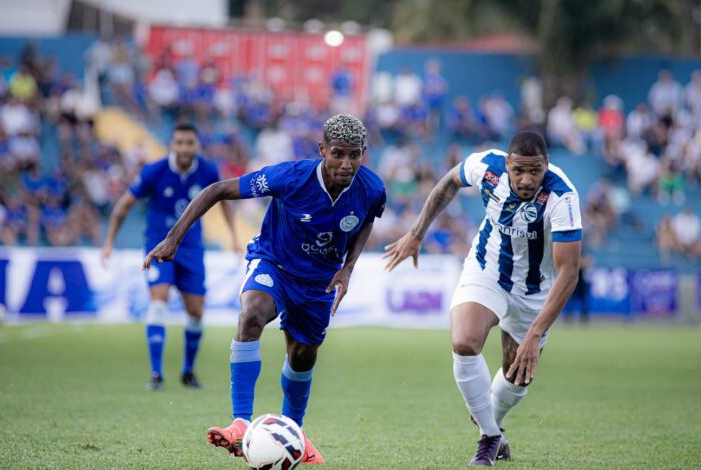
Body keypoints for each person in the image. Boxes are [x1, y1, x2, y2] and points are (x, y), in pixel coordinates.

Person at [143, 114, 386, 464]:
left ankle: (294, 432)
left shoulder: (373, 189)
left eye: (354, 155)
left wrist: (348, 268)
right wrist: (173, 238)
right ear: (322, 150)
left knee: (302, 355)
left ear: (364, 153)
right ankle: (241, 422)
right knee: (252, 313)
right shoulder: (289, 177)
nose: (346, 164)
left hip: (319, 280)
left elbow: (367, 220)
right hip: (273, 261)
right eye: (337, 153)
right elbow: (216, 190)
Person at [383, 131, 582, 466]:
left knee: (517, 375)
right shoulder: (486, 167)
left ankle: (492, 422)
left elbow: (568, 273)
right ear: (507, 164)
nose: (526, 179)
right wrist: (417, 233)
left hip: (535, 290)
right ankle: (490, 437)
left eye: (535, 171)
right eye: (518, 170)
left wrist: (535, 332)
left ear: (546, 165)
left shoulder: (562, 197)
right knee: (464, 342)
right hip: (487, 269)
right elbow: (448, 183)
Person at [101, 123, 240, 390]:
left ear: (197, 145)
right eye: (179, 143)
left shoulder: (208, 170)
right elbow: (123, 206)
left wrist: (233, 236)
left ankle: (188, 371)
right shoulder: (154, 171)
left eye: (190, 143)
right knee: (158, 302)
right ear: (171, 146)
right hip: (158, 247)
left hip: (191, 249)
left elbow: (225, 200)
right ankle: (156, 374)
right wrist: (108, 242)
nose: (184, 148)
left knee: (196, 312)